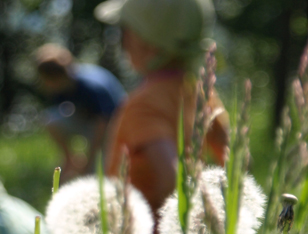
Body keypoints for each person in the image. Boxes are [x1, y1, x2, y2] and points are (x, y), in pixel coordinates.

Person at [95, 0, 229, 215]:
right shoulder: (200, 92)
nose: (122, 42)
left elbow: (170, 180)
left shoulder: (143, 105)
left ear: (146, 42)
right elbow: (236, 162)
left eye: (124, 31)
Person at [33, 44, 126, 177]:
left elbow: (103, 123)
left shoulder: (91, 86)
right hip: (90, 121)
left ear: (53, 77)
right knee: (50, 119)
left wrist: (89, 159)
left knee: (97, 172)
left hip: (115, 126)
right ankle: (70, 159)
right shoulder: (61, 86)